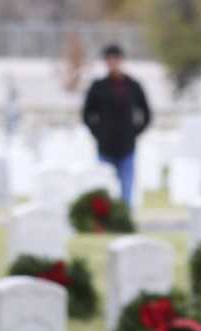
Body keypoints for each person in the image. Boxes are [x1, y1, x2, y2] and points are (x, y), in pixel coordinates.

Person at [81, 45, 150, 210]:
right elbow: (87, 114)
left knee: (126, 187)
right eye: (109, 60)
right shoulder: (98, 86)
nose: (113, 63)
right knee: (104, 187)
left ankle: (123, 218)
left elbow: (146, 113)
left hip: (127, 146)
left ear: (121, 61)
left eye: (116, 59)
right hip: (105, 146)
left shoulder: (133, 86)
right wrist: (97, 133)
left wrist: (135, 133)